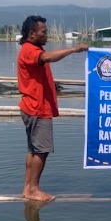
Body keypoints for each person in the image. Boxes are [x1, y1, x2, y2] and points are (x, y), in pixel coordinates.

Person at [17, 15, 88, 202]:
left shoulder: (31, 48)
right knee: (41, 150)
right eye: (44, 32)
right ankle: (33, 189)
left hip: (32, 106)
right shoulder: (30, 50)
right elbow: (47, 58)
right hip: (36, 107)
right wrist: (74, 49)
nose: (47, 35)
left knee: (34, 150)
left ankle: (27, 188)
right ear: (32, 34)